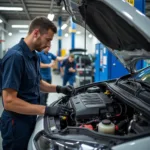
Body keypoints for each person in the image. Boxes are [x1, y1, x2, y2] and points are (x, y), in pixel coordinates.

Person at [0, 16, 73, 150]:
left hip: (29, 117)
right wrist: (46, 110)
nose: (48, 45)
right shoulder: (15, 57)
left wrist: (60, 88)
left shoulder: (34, 56)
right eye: (48, 40)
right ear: (36, 33)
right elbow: (9, 101)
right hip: (16, 123)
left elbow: (38, 83)